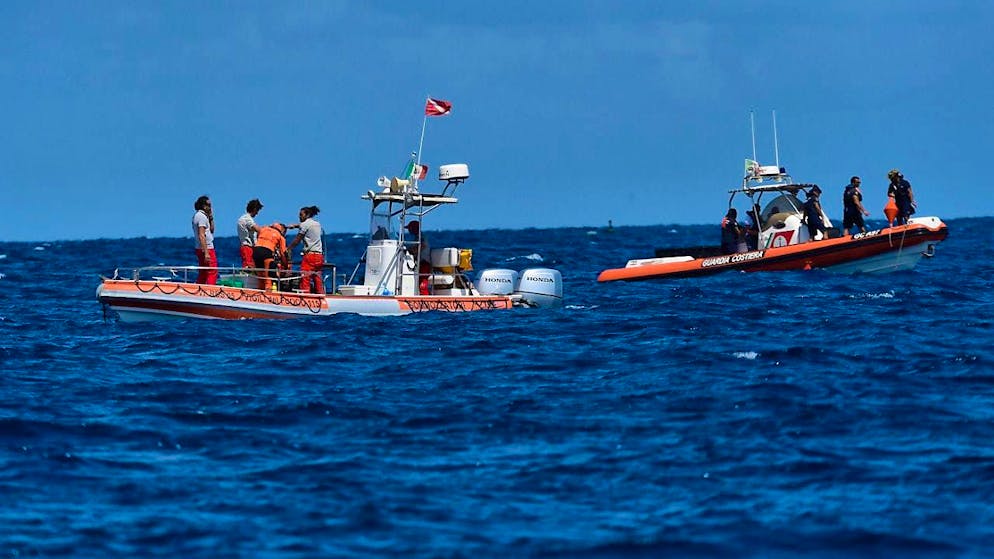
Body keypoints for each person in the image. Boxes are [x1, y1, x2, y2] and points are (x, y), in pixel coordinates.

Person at [288, 206, 324, 294]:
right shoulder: (317, 224)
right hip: (319, 256)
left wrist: (288, 249)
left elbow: (297, 239)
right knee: (317, 278)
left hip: (310, 256)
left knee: (305, 278)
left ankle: (306, 297)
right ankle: (321, 295)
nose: (299, 217)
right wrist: (295, 226)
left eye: (301, 215)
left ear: (307, 215)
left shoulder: (304, 225)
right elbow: (305, 225)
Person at [253, 223, 288, 291]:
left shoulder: (263, 229)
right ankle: (269, 294)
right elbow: (283, 254)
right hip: (267, 253)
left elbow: (258, 237)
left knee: (260, 277)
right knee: (267, 277)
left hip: (256, 251)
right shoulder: (280, 237)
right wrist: (285, 267)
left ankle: (260, 294)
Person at [192, 195, 217, 284]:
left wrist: (211, 217)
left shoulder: (202, 216)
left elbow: (212, 230)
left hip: (201, 247)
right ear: (204, 206)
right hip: (207, 248)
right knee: (212, 271)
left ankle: (200, 287)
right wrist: (206, 252)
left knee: (203, 272)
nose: (210, 207)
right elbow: (202, 235)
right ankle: (210, 290)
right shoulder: (201, 216)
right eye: (209, 205)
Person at [405, 220, 432, 294]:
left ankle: (426, 301)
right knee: (417, 283)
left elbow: (421, 246)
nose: (409, 230)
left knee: (422, 285)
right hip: (419, 263)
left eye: (410, 228)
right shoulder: (417, 237)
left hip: (424, 263)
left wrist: (411, 251)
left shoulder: (421, 237)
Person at [237, 199, 264, 268]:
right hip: (247, 248)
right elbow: (258, 229)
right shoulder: (247, 219)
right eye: (257, 210)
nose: (257, 213)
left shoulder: (244, 218)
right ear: (254, 209)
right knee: (248, 268)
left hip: (248, 247)